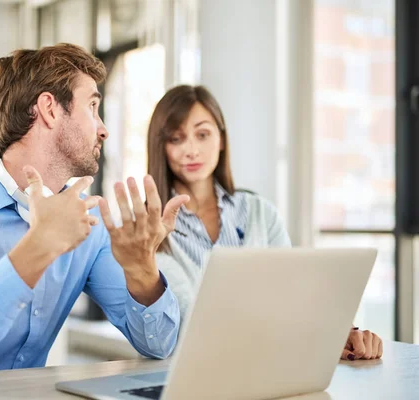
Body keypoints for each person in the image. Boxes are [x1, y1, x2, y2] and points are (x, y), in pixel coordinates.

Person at [0, 44, 189, 387]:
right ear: (49, 109)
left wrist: (142, 271)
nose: (103, 129)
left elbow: (160, 345)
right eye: (92, 106)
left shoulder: (88, 219)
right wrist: (37, 248)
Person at [148, 85, 383, 361]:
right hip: (189, 375)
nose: (191, 150)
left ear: (221, 139)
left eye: (202, 135)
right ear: (161, 146)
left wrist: (341, 332)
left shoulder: (260, 212)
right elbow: (165, 333)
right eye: (176, 138)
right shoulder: (147, 226)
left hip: (265, 366)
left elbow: (292, 293)